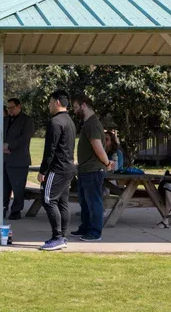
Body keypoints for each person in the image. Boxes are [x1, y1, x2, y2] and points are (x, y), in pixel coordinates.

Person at [70, 96, 115, 242]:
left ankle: (95, 232)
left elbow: (98, 147)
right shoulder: (88, 123)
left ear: (84, 105)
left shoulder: (92, 124)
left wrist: (107, 163)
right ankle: (85, 228)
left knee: (94, 201)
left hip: (93, 170)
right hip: (85, 170)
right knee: (84, 201)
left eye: (76, 107)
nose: (74, 110)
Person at [37, 90, 76, 251]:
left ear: (57, 103)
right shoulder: (69, 121)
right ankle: (63, 236)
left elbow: (50, 150)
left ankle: (57, 237)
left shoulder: (55, 122)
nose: (49, 105)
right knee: (62, 202)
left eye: (50, 102)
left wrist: (42, 171)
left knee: (48, 200)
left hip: (57, 168)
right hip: (68, 168)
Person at [0, 98, 34, 220]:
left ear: (18, 106)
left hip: (19, 159)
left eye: (11, 107)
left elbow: (25, 138)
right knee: (3, 187)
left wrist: (9, 146)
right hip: (4, 158)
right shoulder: (5, 120)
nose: (9, 110)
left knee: (17, 187)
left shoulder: (27, 120)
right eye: (8, 108)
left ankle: (16, 211)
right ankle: (2, 209)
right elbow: (0, 134)